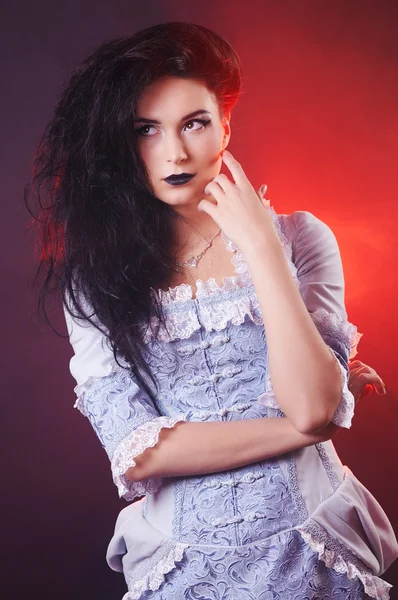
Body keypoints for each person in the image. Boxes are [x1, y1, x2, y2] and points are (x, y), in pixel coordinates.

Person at [26, 21, 397, 600]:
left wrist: (262, 248)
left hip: (312, 550)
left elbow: (313, 402)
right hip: (183, 567)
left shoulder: (301, 239)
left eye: (194, 123)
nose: (174, 152)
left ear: (226, 124)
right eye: (147, 130)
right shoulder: (94, 282)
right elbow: (141, 452)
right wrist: (311, 427)